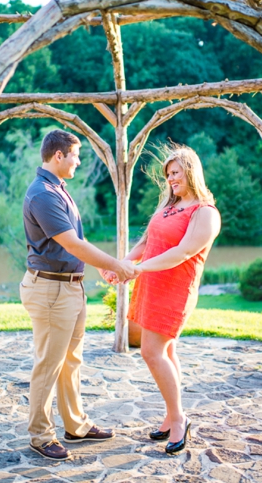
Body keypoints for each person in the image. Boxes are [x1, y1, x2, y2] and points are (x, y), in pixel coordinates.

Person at [21, 129, 139, 460]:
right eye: (75, 154)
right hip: (51, 290)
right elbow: (71, 243)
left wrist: (99, 267)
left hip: (69, 285)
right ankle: (41, 435)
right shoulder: (43, 194)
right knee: (49, 364)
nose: (78, 160)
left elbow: (74, 243)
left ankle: (76, 425)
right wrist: (117, 264)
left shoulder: (58, 189)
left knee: (71, 360)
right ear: (58, 155)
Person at [124, 144, 221, 456]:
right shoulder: (169, 205)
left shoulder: (204, 212)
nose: (171, 179)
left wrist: (137, 268)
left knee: (152, 352)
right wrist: (123, 264)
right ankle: (171, 414)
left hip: (175, 291)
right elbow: (147, 241)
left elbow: (183, 252)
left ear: (191, 171)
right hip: (153, 284)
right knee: (166, 351)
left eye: (176, 172)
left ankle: (179, 420)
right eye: (168, 175)